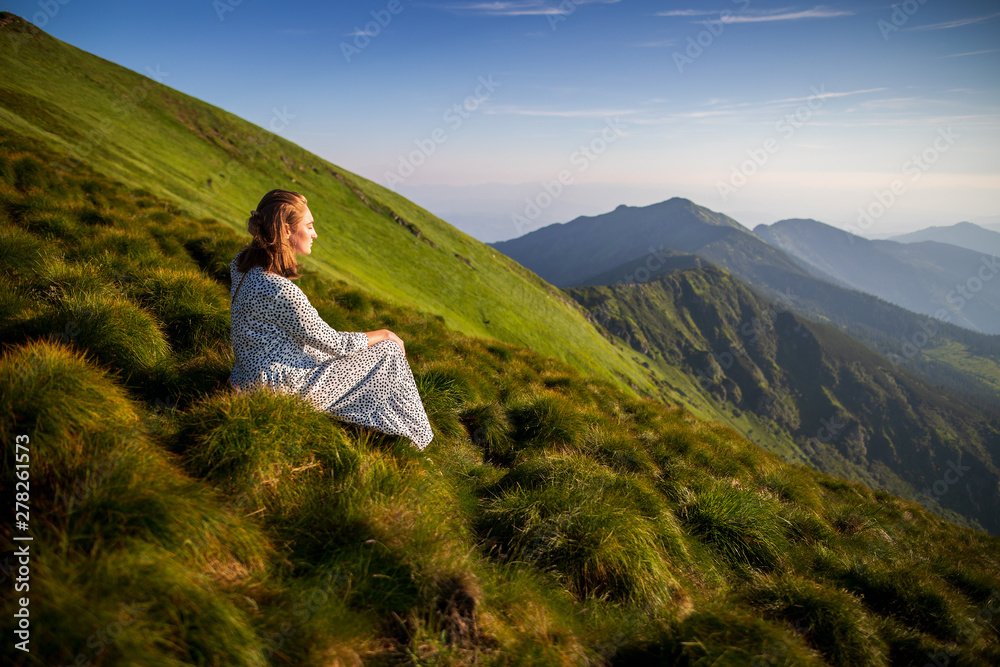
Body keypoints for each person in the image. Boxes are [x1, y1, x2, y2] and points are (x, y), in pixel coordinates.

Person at [227, 188, 433, 450]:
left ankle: (383, 425)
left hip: (247, 376)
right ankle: (418, 443)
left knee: (334, 356)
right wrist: (384, 333)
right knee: (388, 352)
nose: (315, 234)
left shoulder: (241, 265)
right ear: (287, 231)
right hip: (280, 389)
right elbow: (336, 343)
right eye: (309, 226)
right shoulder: (279, 289)